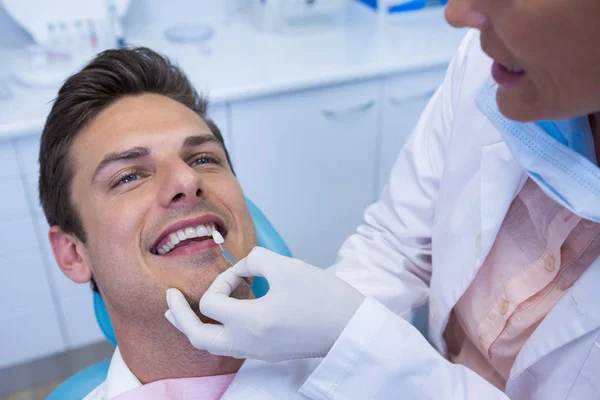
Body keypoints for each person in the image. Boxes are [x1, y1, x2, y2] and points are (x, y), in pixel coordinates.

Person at [166, 0, 600, 398]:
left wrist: (352, 337)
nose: (455, 13)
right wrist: (313, 340)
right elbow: (396, 246)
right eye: (128, 176)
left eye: (203, 157)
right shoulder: (493, 63)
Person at [39, 47, 320, 399]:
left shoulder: (364, 369)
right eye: (128, 177)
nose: (187, 180)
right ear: (73, 253)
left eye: (203, 158)